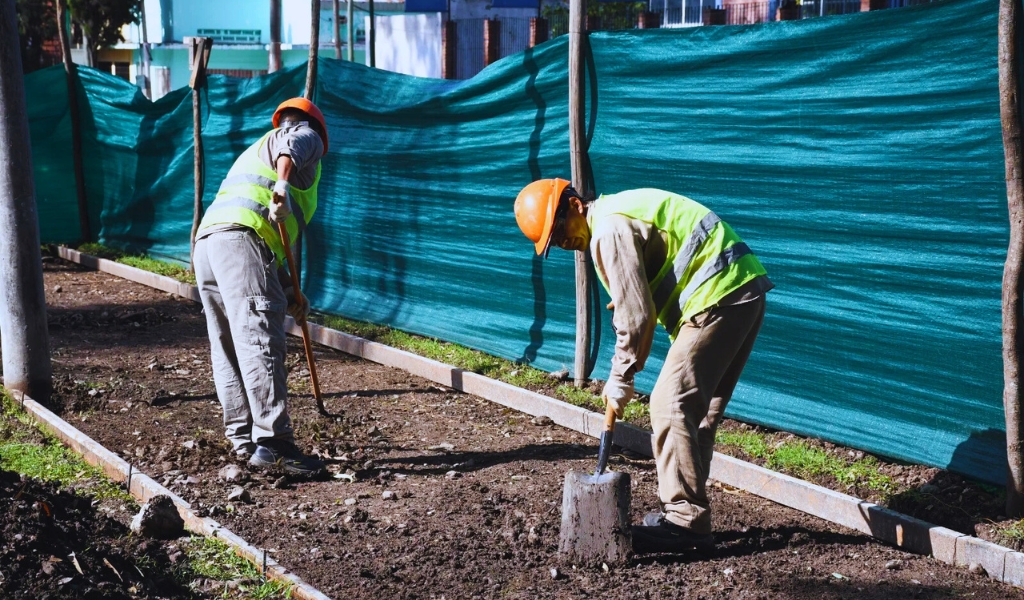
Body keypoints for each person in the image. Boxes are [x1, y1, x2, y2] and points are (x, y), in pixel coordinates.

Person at [513, 179, 773, 554]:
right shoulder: (615, 218)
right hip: (742, 291)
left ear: (575, 205)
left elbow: (637, 320)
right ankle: (691, 519)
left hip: (717, 296)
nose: (562, 242)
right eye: (553, 241)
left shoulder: (607, 230)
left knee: (668, 404)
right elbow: (638, 298)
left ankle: (685, 524)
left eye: (558, 230)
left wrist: (620, 377)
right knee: (695, 416)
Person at [192, 98, 329, 476]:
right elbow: (293, 147)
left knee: (229, 345)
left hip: (210, 245)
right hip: (240, 240)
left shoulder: (256, 149)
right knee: (259, 337)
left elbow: (266, 248)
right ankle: (274, 443)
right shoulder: (305, 135)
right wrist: (283, 186)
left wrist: (290, 293)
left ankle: (244, 441)